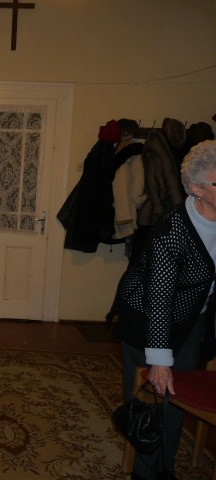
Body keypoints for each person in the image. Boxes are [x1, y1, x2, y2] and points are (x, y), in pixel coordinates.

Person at [115, 140, 216, 479]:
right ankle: (145, 474)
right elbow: (159, 297)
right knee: (150, 400)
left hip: (191, 318)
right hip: (146, 317)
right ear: (196, 189)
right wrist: (159, 360)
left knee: (175, 398)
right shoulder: (171, 230)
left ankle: (164, 470)